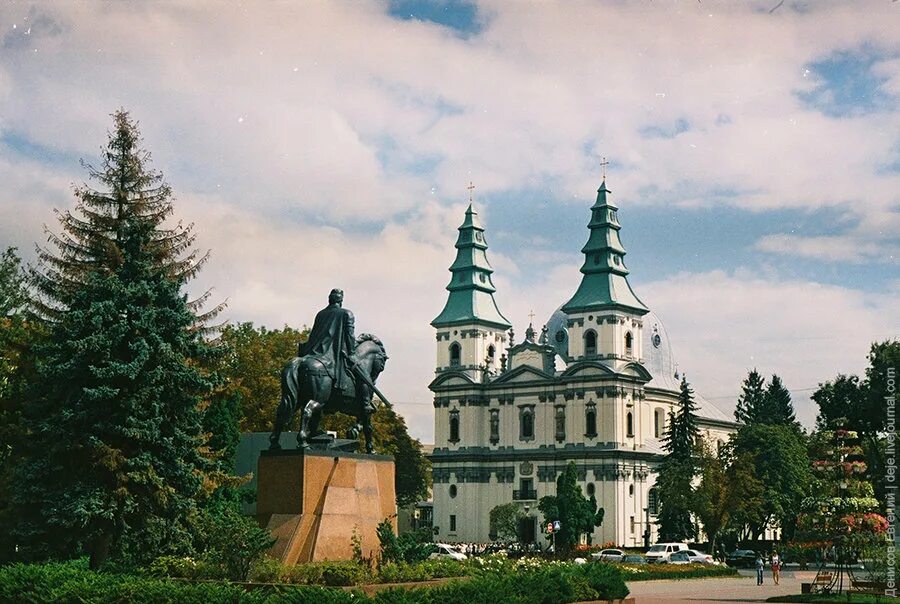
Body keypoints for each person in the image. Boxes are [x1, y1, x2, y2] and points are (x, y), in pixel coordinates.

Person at [299, 288, 356, 395]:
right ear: (341, 300)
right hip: (331, 355)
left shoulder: (320, 314)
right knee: (360, 370)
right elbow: (350, 335)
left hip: (312, 352)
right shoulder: (347, 313)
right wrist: (352, 353)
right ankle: (365, 402)